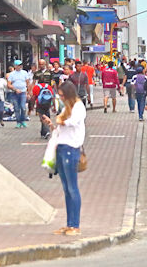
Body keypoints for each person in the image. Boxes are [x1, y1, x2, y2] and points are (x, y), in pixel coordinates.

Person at [41, 81, 85, 236]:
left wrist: (61, 121)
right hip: (61, 147)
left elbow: (73, 122)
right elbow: (60, 130)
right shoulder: (67, 107)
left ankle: (75, 225)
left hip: (71, 149)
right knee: (66, 189)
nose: (60, 98)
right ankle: (69, 223)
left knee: (72, 187)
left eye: (62, 95)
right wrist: (52, 124)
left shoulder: (78, 106)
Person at [6, 60, 31, 129]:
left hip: (23, 92)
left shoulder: (24, 73)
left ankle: (23, 120)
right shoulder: (12, 74)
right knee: (16, 108)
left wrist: (29, 93)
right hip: (14, 93)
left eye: (20, 65)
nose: (20, 66)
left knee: (23, 107)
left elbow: (28, 83)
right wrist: (15, 89)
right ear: (15, 66)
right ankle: (18, 122)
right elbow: (8, 84)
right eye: (18, 65)